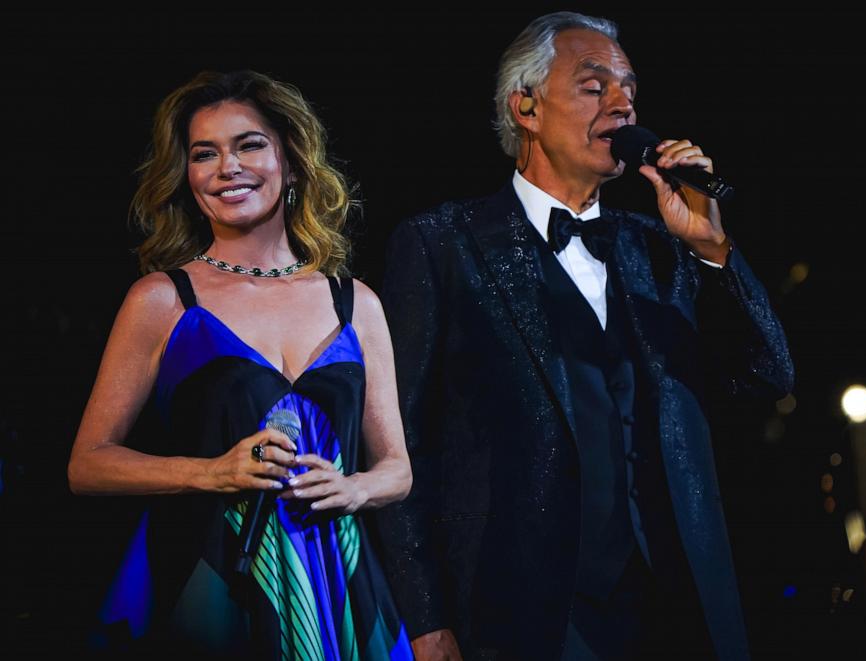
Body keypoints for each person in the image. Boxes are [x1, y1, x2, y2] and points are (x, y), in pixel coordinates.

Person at [375, 12, 794, 661]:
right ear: (526, 106)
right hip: (521, 612)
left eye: (630, 88)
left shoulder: (660, 249)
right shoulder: (441, 245)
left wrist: (713, 248)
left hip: (671, 604)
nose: (623, 103)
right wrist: (426, 621)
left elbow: (767, 374)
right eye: (595, 86)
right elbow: (400, 446)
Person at [68, 70, 413, 659]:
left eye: (249, 144)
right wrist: (211, 472)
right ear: (187, 175)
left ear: (293, 160)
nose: (227, 166)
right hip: (210, 579)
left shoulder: (355, 301)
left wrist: (352, 488)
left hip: (338, 584)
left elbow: (397, 469)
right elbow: (88, 465)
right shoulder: (163, 299)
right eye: (205, 154)